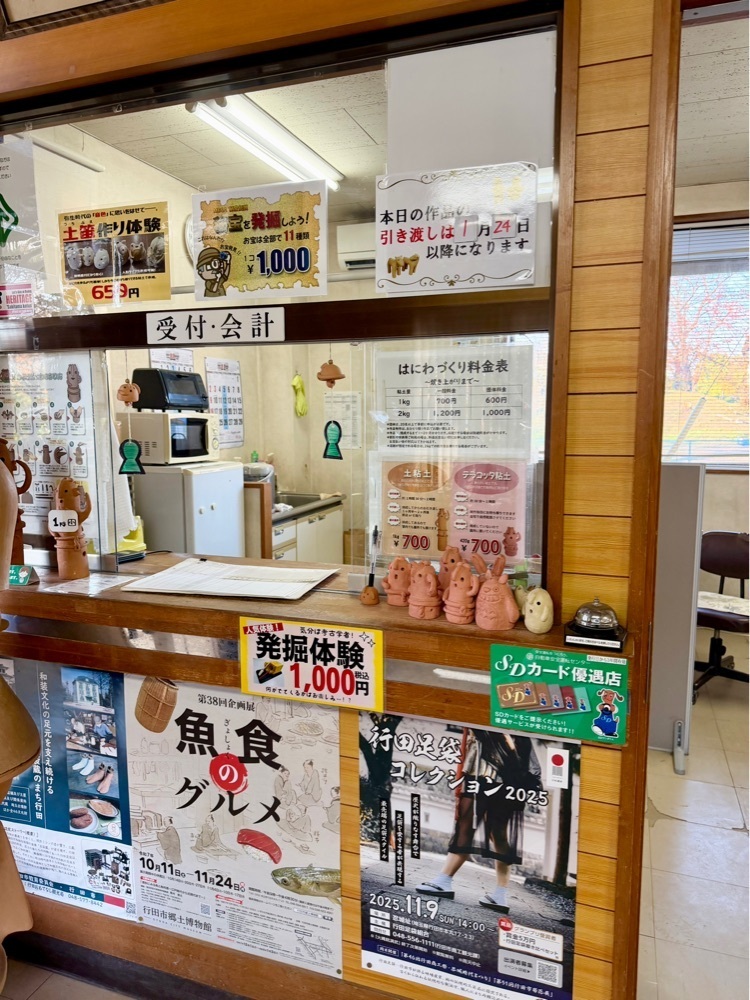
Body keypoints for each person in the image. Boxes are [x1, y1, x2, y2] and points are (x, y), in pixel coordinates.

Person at [416, 730, 541, 914]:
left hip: (481, 778)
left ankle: (444, 881)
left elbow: (501, 742)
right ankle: (500, 894)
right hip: (509, 783)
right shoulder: (517, 730)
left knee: (466, 828)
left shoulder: (489, 727)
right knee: (498, 835)